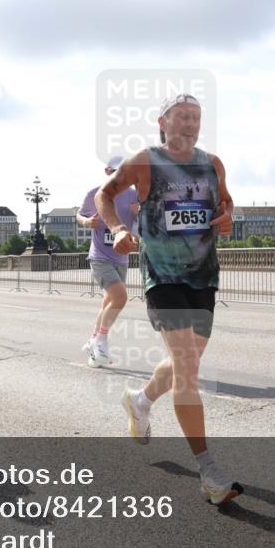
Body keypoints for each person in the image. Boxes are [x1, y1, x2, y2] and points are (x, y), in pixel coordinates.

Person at [96, 93, 242, 506]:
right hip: (163, 277)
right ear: (163, 121)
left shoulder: (212, 164)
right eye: (182, 117)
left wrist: (228, 216)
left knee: (186, 361)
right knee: (187, 368)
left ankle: (140, 401)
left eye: (196, 117)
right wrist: (118, 230)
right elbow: (106, 195)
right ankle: (209, 469)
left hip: (203, 276)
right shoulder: (145, 161)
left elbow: (226, 201)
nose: (190, 123)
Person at [77, 155, 139, 367]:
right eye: (115, 172)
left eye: (124, 173)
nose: (119, 177)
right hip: (100, 257)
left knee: (108, 302)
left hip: (122, 257)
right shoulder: (95, 193)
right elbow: (79, 215)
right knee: (120, 298)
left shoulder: (134, 195)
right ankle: (102, 340)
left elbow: (145, 224)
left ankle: (93, 339)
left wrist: (140, 213)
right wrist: (87, 221)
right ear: (107, 172)